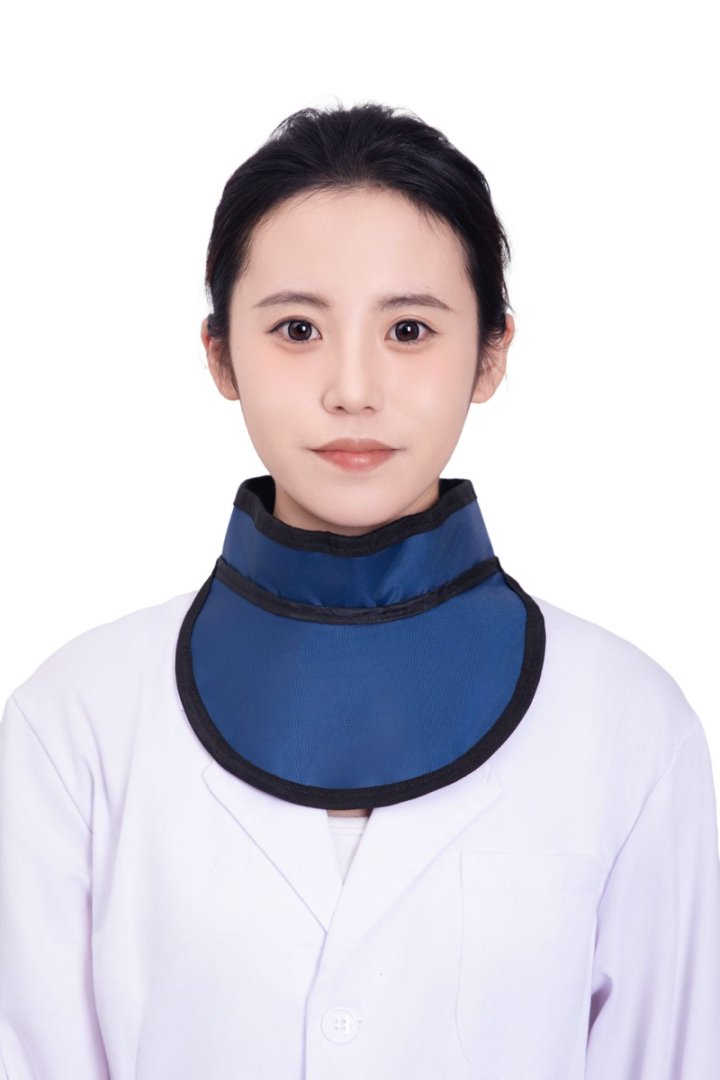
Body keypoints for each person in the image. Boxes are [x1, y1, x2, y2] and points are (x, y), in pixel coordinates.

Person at [1, 101, 719, 1080]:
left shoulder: (629, 723)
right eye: (297, 328)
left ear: (492, 354)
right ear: (220, 354)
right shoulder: (75, 720)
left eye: (409, 329)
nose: (352, 388)